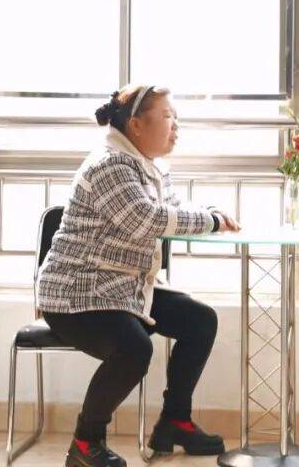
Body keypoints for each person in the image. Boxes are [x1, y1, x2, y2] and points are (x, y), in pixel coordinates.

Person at [37, 85, 239, 467]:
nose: (176, 126)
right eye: (167, 117)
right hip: (75, 294)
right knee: (134, 348)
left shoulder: (150, 165)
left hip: (124, 288)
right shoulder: (109, 164)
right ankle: (85, 444)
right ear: (136, 125)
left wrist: (209, 212)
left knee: (200, 321)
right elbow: (145, 219)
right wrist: (211, 221)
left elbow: (173, 209)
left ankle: (175, 422)